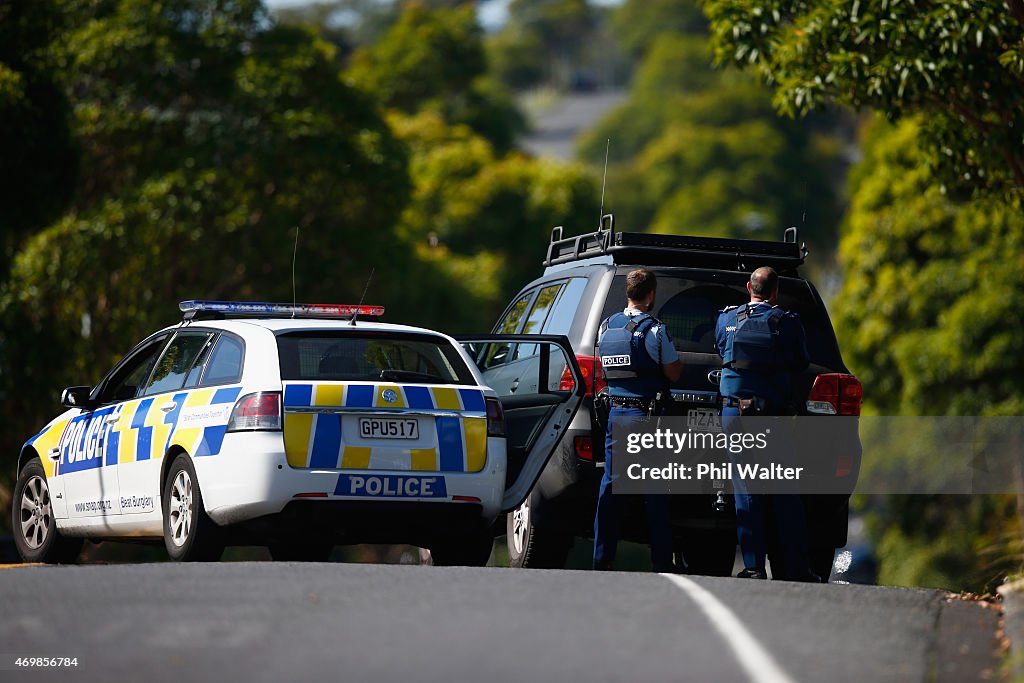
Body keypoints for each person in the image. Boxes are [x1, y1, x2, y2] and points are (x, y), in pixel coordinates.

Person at [715, 266, 817, 581]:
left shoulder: (726, 319)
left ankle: (754, 566)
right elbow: (801, 362)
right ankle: (797, 568)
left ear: (749, 287)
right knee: (785, 491)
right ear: (775, 292)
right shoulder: (786, 322)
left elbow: (721, 349)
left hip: (735, 414)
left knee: (745, 491)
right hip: (772, 416)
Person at [593, 268, 683, 572]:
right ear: (651, 294)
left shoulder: (607, 326)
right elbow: (673, 372)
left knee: (611, 489)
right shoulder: (655, 330)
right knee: (656, 491)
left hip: (616, 415)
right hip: (647, 417)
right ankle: (661, 562)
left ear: (628, 293)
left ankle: (601, 559)